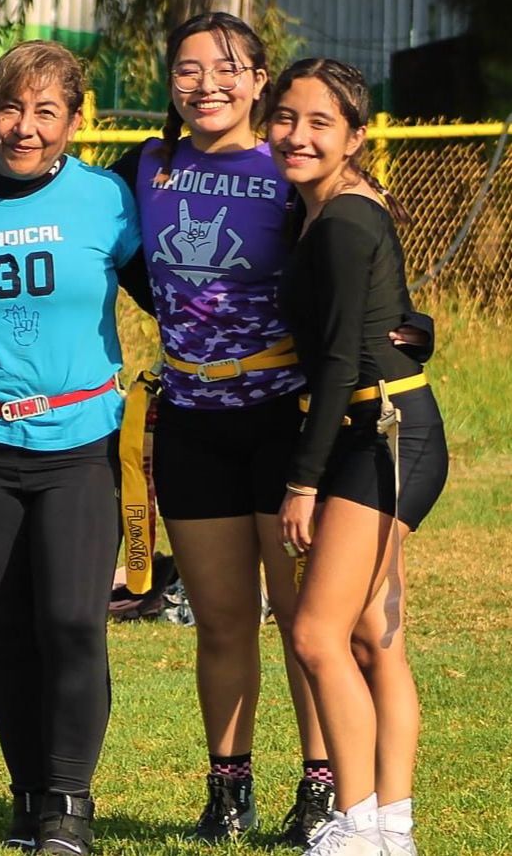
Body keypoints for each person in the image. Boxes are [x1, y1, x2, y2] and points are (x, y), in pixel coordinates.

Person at [108, 12, 333, 845]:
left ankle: (321, 788)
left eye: (227, 69)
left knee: (303, 622)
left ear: (259, 79)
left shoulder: (289, 163)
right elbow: (117, 256)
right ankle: (227, 793)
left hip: (284, 420)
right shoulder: (145, 165)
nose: (206, 85)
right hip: (191, 422)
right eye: (187, 70)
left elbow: (351, 256)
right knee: (222, 620)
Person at [0, 41, 139, 856]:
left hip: (81, 440)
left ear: (75, 121)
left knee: (72, 622)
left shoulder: (106, 199)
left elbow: (181, 291)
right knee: (9, 628)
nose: (25, 127)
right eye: (9, 109)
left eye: (45, 111)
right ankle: (26, 795)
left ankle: (67, 802)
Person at [268, 58, 448, 856]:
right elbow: (383, 315)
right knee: (373, 636)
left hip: (384, 435)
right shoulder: (321, 207)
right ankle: (390, 832)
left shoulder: (341, 217)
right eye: (285, 118)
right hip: (376, 427)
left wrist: (301, 482)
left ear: (354, 137)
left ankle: (357, 823)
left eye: (319, 123)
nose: (296, 135)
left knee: (316, 633)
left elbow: (342, 360)